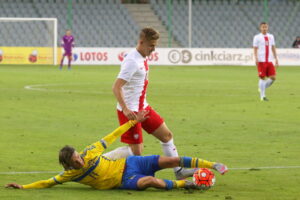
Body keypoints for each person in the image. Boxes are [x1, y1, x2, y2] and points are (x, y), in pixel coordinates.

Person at [5, 110, 228, 191]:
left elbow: (111, 136)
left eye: (78, 157)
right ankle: (187, 184)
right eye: (75, 162)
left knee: (172, 160)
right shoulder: (69, 175)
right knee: (150, 183)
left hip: (130, 165)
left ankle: (212, 165)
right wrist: (23, 186)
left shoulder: (89, 152)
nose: (80, 161)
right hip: (125, 180)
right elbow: (47, 182)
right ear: (69, 165)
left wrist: (133, 123)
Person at [108, 27, 193, 180]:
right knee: (136, 152)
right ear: (141, 42)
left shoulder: (143, 56)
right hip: (131, 112)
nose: (154, 49)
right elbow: (116, 87)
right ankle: (99, 161)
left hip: (144, 108)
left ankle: (179, 171)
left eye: (155, 45)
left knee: (167, 136)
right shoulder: (132, 61)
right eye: (151, 45)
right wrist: (126, 109)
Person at [253, 22, 279, 101]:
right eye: (263, 27)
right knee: (262, 78)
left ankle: (262, 87)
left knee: (273, 77)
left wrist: (276, 58)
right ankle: (262, 96)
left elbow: (273, 47)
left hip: (269, 60)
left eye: (266, 27)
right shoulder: (257, 37)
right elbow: (255, 48)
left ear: (268, 28)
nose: (264, 28)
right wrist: (256, 58)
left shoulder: (271, 36)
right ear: (260, 28)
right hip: (261, 60)